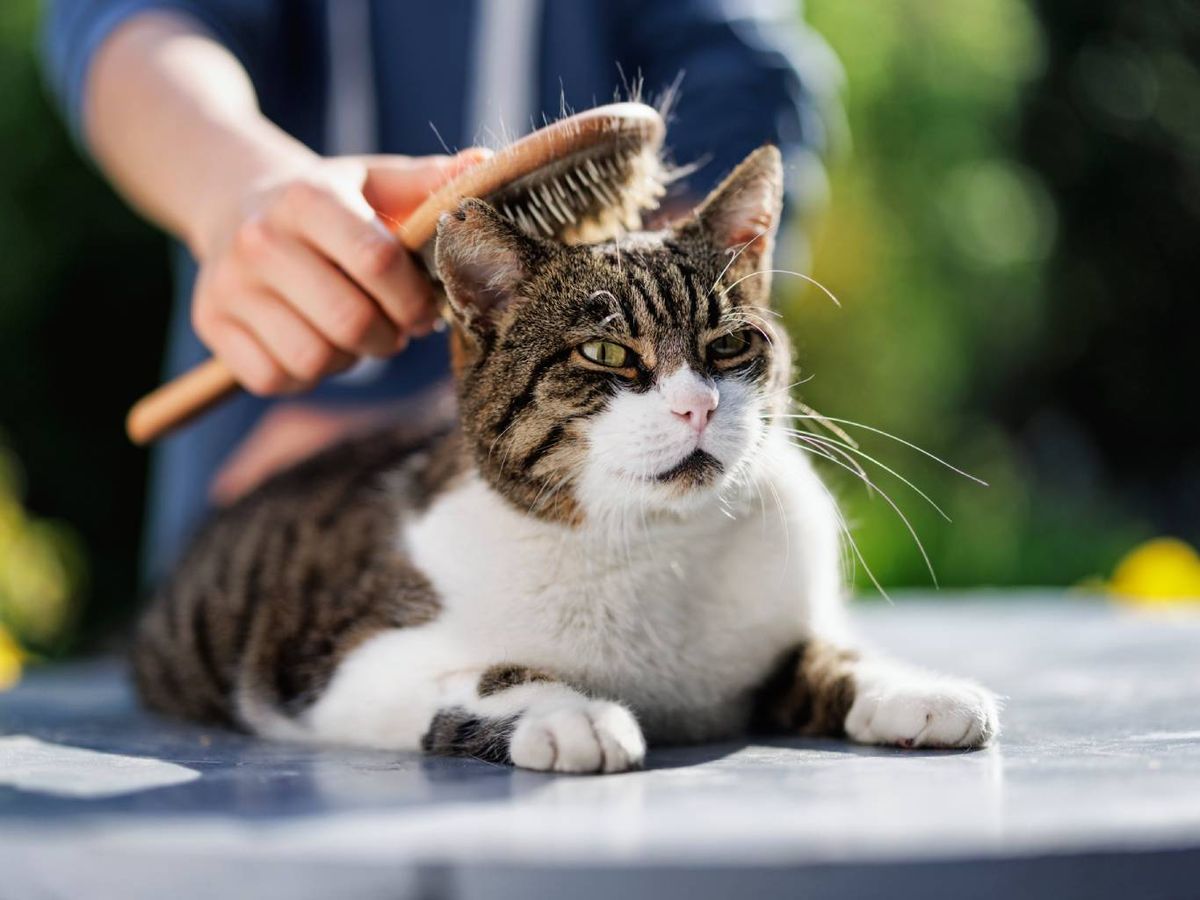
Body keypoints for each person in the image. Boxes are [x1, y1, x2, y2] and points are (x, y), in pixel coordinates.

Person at [41, 0, 839, 582]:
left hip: (615, 522)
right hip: (267, 507)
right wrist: (239, 188)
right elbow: (125, 20)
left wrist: (451, 431)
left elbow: (733, 74)